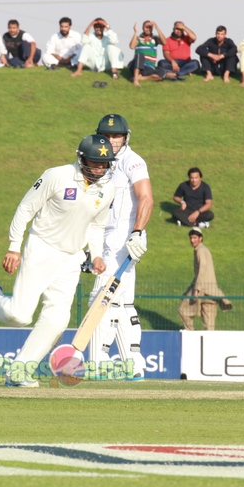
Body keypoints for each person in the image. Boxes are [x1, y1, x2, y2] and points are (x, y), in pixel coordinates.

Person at [0, 135, 117, 387]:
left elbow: (96, 224)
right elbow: (25, 208)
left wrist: (95, 255)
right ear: (81, 158)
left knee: (57, 319)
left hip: (71, 258)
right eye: (94, 163)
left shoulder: (108, 189)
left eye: (104, 164)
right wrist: (14, 248)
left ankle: (18, 373)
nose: (99, 169)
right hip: (41, 248)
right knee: (19, 316)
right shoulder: (56, 176)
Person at [87, 114, 153, 379]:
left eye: (118, 136)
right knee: (122, 300)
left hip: (123, 237)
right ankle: (133, 364)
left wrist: (137, 232)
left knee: (101, 295)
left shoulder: (132, 161)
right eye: (108, 135)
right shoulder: (98, 160)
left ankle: (96, 361)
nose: (113, 141)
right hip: (102, 236)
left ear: (127, 136)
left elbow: (146, 197)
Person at [178, 226, 232, 331]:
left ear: (200, 238)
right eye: (191, 238)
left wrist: (196, 290)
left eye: (194, 238)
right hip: (212, 292)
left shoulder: (200, 251)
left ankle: (191, 336)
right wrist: (188, 290)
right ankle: (209, 345)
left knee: (183, 311)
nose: (192, 240)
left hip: (202, 290)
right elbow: (201, 274)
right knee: (209, 325)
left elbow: (201, 271)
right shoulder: (204, 250)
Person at [128, 21, 177, 86]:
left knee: (162, 74)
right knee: (140, 55)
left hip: (149, 67)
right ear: (143, 28)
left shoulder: (154, 38)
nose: (148, 29)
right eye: (146, 27)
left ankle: (140, 78)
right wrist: (136, 32)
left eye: (150, 27)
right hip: (137, 65)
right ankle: (136, 80)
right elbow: (132, 46)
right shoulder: (139, 38)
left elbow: (164, 42)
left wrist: (157, 27)